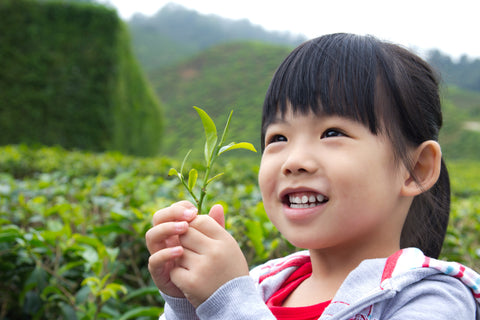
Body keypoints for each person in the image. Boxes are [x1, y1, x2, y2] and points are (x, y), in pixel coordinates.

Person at [145, 33, 480, 319]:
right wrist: (186, 302)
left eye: (332, 132)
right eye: (278, 138)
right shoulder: (260, 285)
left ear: (416, 170)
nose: (294, 160)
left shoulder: (433, 298)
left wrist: (228, 301)